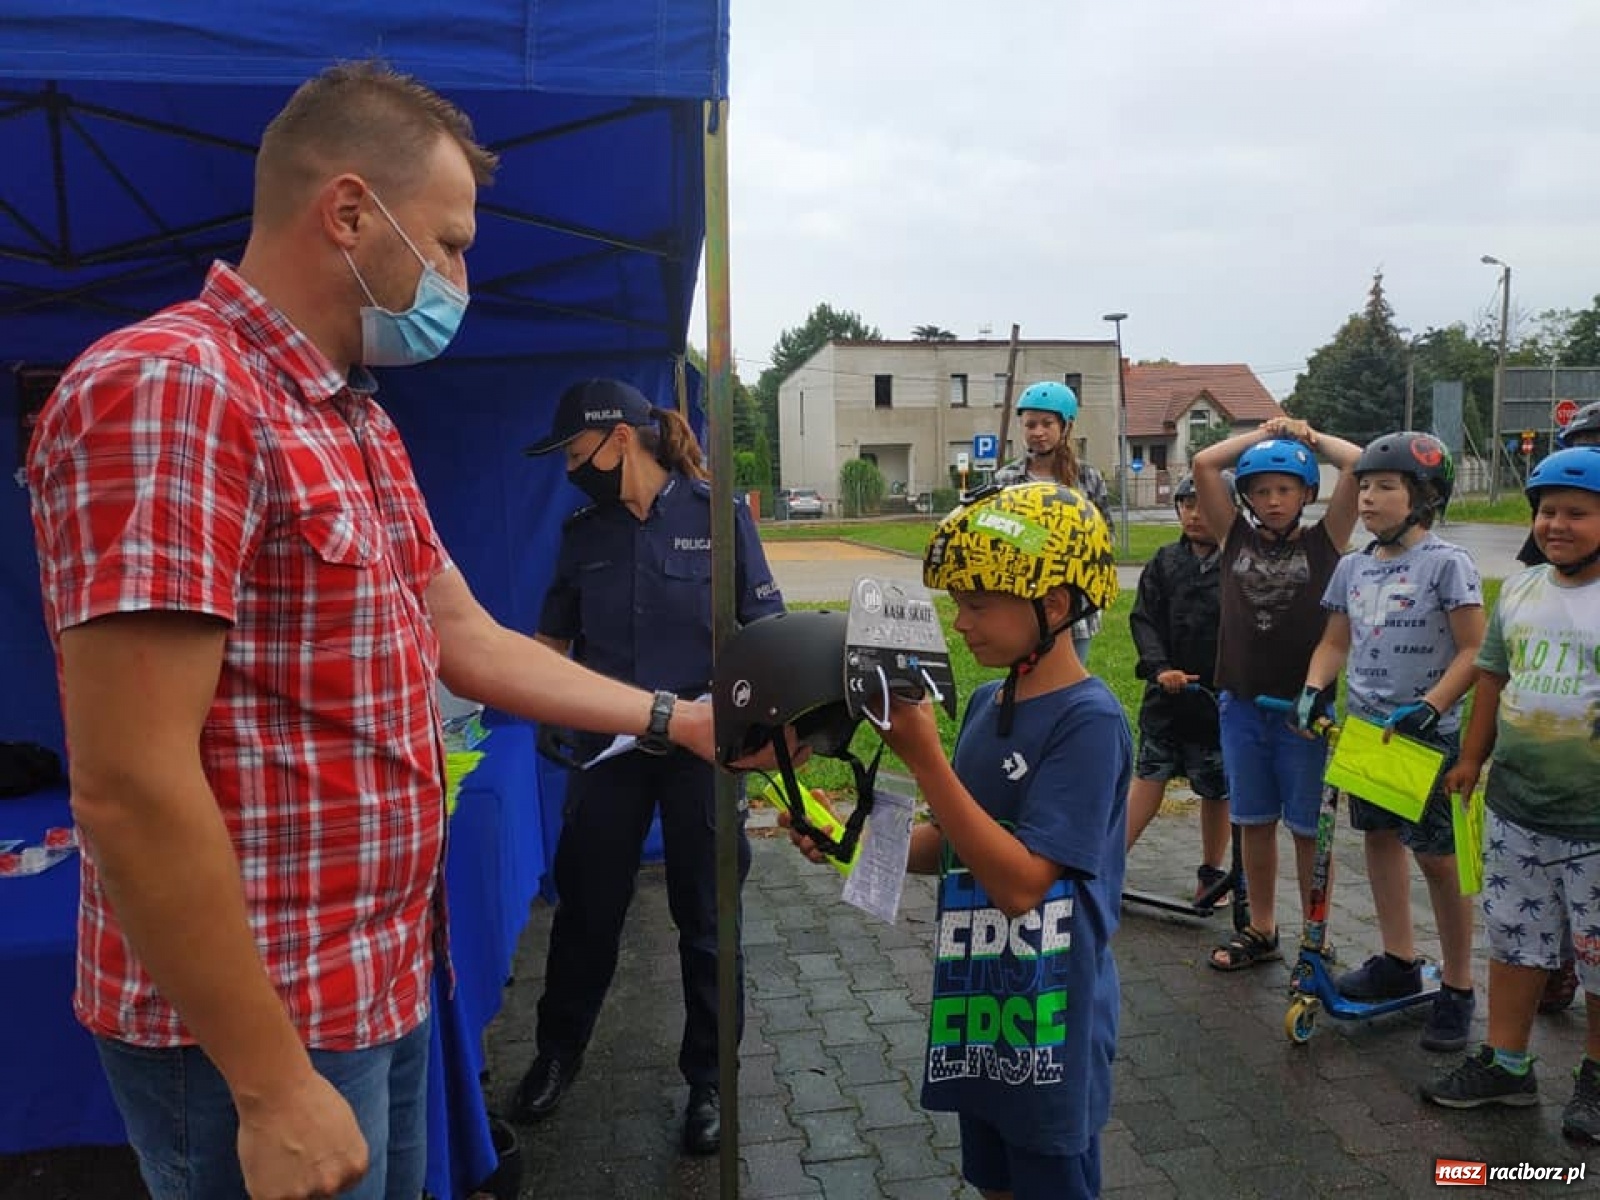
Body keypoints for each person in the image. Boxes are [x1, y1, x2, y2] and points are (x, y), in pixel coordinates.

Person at [26, 62, 726, 1200]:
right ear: (348, 212)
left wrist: (674, 718)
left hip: (372, 982)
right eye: (449, 243)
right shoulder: (175, 388)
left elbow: (466, 638)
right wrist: (268, 1085)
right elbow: (129, 783)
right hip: (268, 1021)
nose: (460, 279)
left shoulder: (351, 417)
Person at [782, 481, 1130, 1200]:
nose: (959, 622)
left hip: (1050, 1026)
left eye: (978, 604)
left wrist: (925, 760)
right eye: (956, 602)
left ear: (1052, 606)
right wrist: (849, 839)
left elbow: (1022, 884)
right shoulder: (983, 703)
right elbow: (949, 844)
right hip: (978, 1010)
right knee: (994, 1184)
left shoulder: (1090, 722)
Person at [508, 378, 784, 1153]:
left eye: (575, 453)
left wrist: (750, 718)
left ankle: (710, 1080)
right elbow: (551, 643)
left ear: (619, 439)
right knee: (587, 912)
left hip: (702, 748)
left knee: (707, 918)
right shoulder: (583, 533)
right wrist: (548, 710)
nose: (570, 469)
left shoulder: (717, 515)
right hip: (610, 748)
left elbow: (766, 624)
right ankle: (557, 1054)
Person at [1421, 447, 1600, 1139]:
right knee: (1517, 940)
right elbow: (1492, 677)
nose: (1557, 525)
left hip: (1593, 820)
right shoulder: (1522, 591)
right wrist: (1471, 759)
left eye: (1577, 513)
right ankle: (1507, 1063)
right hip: (1517, 810)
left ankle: (1596, 1075)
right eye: (1547, 511)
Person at [1296, 432, 1485, 1051]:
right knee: (1378, 841)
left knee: (1437, 859)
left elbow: (1474, 649)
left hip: (1425, 737)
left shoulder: (1447, 563)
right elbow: (1334, 643)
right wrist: (1314, 688)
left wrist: (1432, 706)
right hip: (1367, 733)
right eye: (1363, 486)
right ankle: (1399, 959)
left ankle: (1458, 985)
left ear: (1424, 498)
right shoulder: (1352, 566)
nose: (1367, 498)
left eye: (1384, 487)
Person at [1190, 417, 1362, 971]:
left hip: (1303, 712)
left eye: (1285, 489)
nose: (1273, 501)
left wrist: (1308, 437)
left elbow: (1358, 463)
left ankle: (1317, 933)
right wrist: (1262, 435)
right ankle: (1262, 927)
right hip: (1242, 705)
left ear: (1307, 493)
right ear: (1246, 496)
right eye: (1261, 490)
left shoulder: (1325, 542)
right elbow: (1204, 464)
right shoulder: (1233, 537)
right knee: (1254, 820)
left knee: (1309, 828)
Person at [1125, 473, 1234, 905]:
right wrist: (1160, 668)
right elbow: (1144, 619)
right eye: (1187, 505)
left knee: (1216, 790)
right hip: (1165, 701)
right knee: (1148, 779)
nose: (1194, 514)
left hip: (1215, 703)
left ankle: (1212, 871)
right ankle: (1108, 863)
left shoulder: (1239, 566)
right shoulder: (1165, 561)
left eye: (1205, 506)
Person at [994, 381, 1113, 665]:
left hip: (1074, 602)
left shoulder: (1087, 478)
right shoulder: (1006, 480)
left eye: (1047, 424)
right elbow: (996, 537)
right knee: (1025, 678)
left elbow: (1105, 536)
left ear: (1065, 427)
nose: (1038, 432)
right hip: (1022, 598)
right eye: (1030, 424)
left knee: (1068, 677)